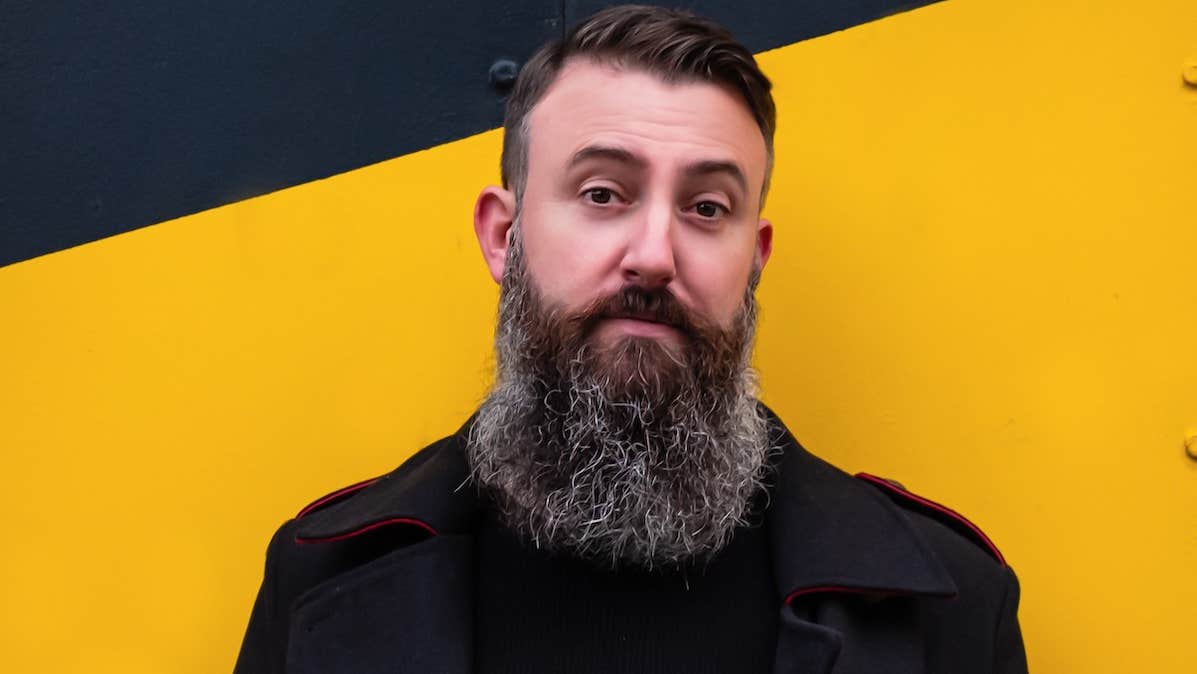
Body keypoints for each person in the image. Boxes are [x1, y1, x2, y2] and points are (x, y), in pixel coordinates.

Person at [234, 5, 1028, 673]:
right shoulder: (320, 583)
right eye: (603, 193)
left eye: (706, 208)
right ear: (503, 237)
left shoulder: (947, 609)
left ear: (753, 261)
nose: (653, 254)